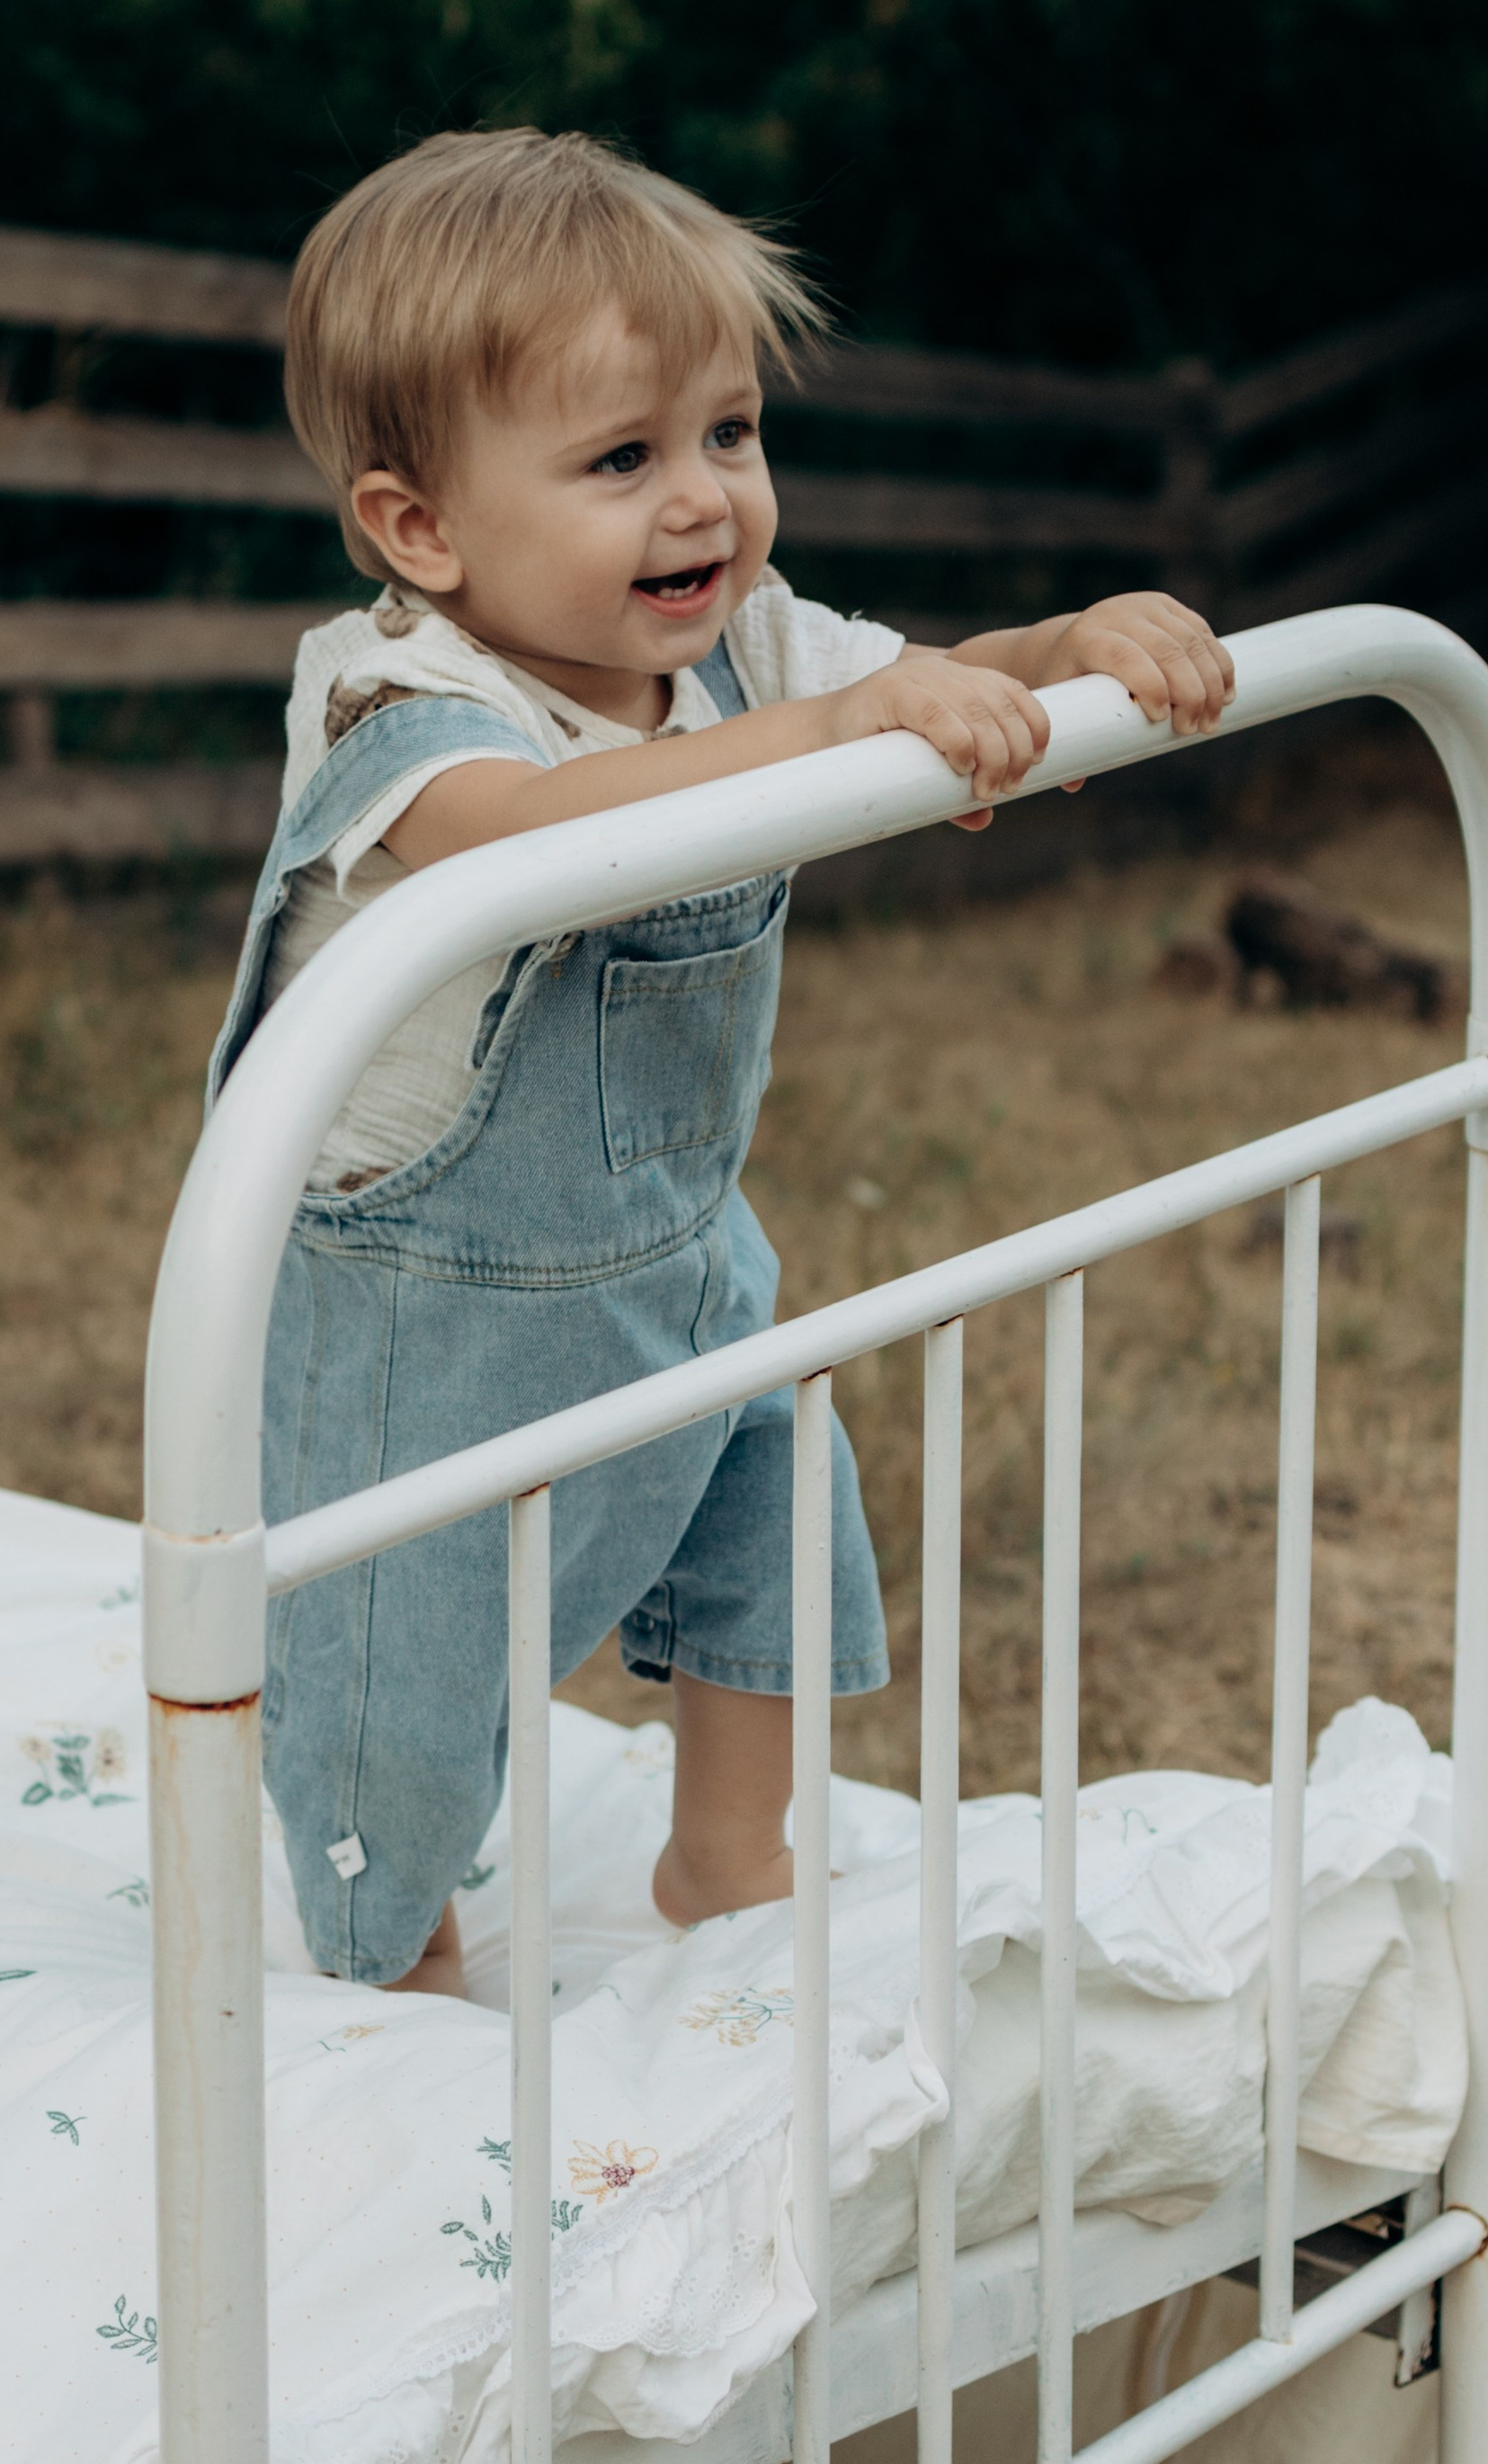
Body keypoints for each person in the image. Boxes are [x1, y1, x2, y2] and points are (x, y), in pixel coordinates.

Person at [208, 129, 1234, 1994]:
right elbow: (522, 830)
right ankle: (396, 1951)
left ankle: (728, 1867)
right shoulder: (393, 693)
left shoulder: (747, 646)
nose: (701, 505)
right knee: (405, 1650)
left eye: (727, 437)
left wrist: (1059, 648)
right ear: (419, 530)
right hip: (419, 1291)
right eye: (620, 460)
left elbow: (927, 674)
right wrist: (839, 725)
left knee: (771, 1493)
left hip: (672, 1233)